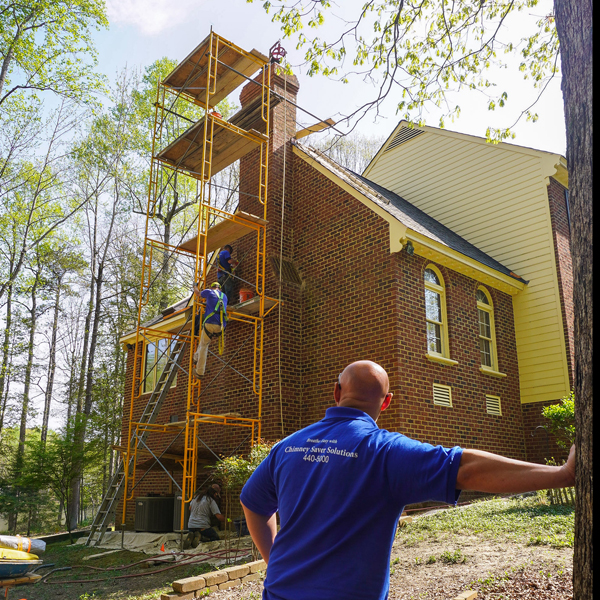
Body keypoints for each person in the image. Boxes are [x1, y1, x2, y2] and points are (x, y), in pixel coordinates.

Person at [240, 360, 576, 600]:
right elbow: (467, 468)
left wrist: (275, 560)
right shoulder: (384, 451)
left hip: (279, 591)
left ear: (336, 392)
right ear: (386, 402)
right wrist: (562, 474)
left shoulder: (287, 447)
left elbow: (252, 502)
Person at [192, 281, 228, 378]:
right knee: (204, 342)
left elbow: (197, 293)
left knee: (204, 346)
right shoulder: (224, 296)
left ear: (212, 287)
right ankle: (195, 357)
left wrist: (195, 286)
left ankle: (199, 371)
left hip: (210, 323)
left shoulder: (209, 292)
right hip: (221, 326)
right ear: (219, 288)